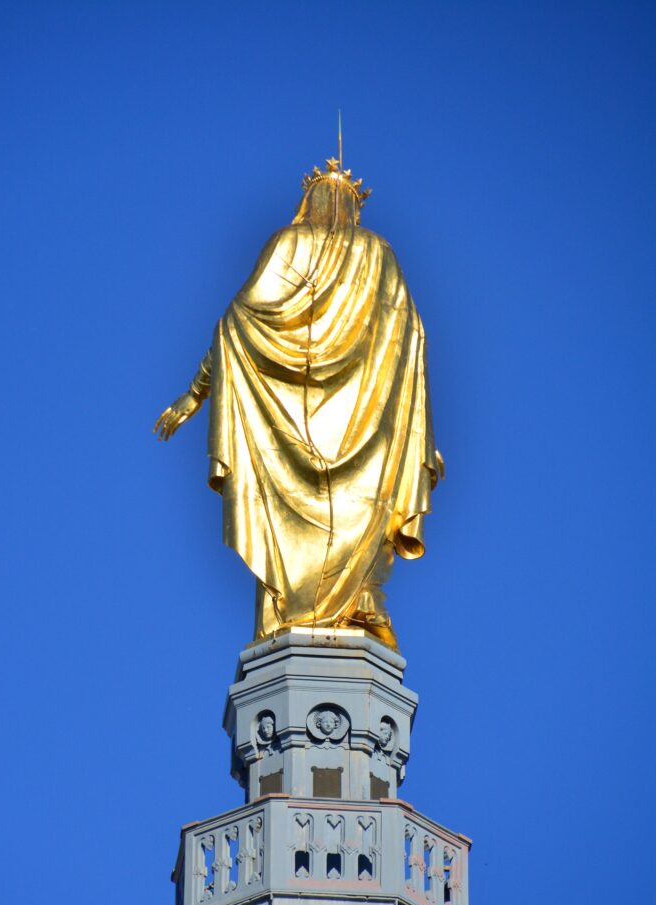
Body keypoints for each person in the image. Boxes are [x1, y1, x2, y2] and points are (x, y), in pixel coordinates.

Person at [155, 158, 443, 649]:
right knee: (364, 513)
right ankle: (359, 605)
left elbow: (237, 324)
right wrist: (420, 426)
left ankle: (317, 609)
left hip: (291, 426)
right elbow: (411, 337)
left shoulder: (289, 244)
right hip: (368, 425)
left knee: (317, 529)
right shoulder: (379, 254)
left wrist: (195, 394)